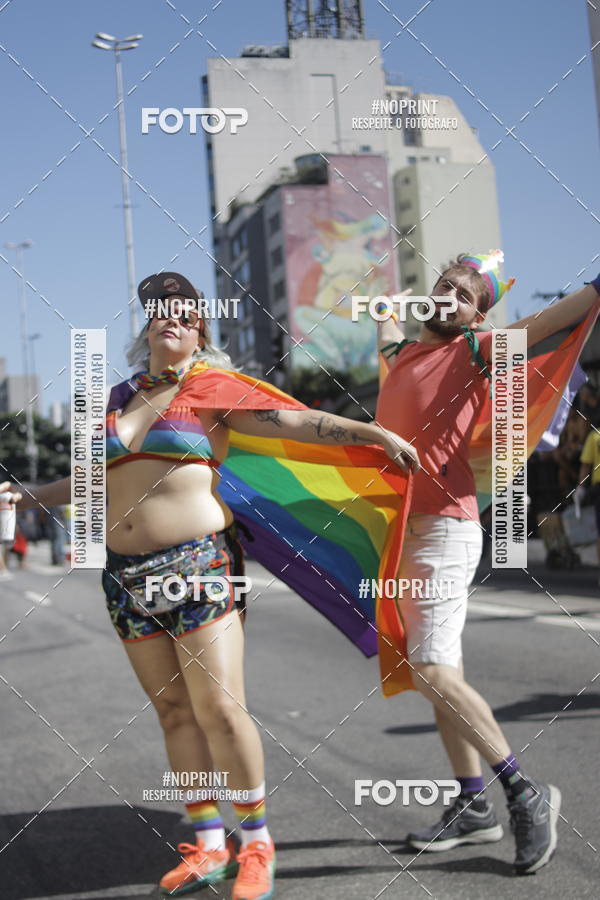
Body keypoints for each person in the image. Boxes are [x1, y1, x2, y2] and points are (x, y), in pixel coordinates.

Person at [1, 271, 419, 900]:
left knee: (219, 708)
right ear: (146, 327)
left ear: (200, 326)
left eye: (182, 312)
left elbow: (295, 423)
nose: (168, 318)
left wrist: (371, 432)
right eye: (157, 311)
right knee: (173, 712)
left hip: (201, 565)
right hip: (126, 577)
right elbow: (90, 482)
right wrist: (25, 496)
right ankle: (208, 843)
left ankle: (256, 844)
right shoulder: (113, 397)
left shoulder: (213, 388)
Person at [375, 251, 600, 875]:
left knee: (431, 669)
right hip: (404, 531)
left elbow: (564, 314)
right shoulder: (400, 356)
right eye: (443, 287)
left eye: (464, 296)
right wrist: (379, 302)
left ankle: (524, 795)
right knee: (437, 673)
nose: (448, 297)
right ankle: (473, 807)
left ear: (477, 317)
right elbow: (388, 326)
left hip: (447, 528)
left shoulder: (475, 351)